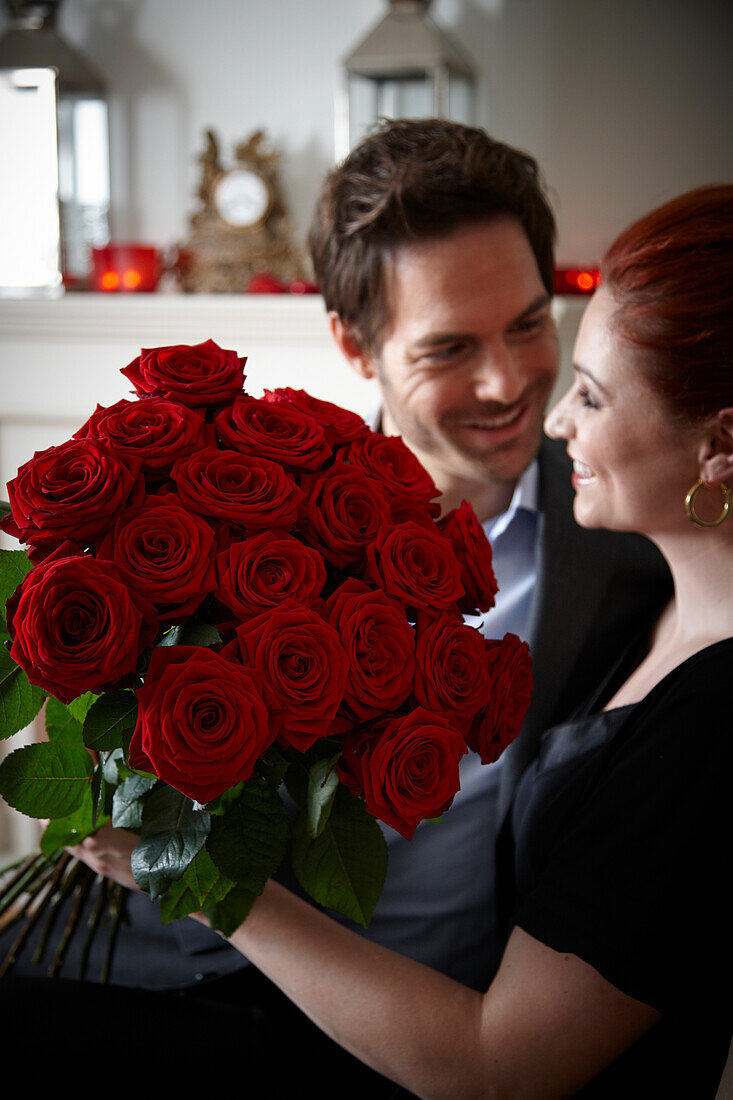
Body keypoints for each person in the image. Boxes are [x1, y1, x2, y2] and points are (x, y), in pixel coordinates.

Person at [0, 120, 669, 1085]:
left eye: (528, 324)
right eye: (448, 346)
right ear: (354, 346)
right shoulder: (228, 508)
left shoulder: (627, 549)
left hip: (444, 1038)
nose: (508, 380)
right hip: (193, 979)